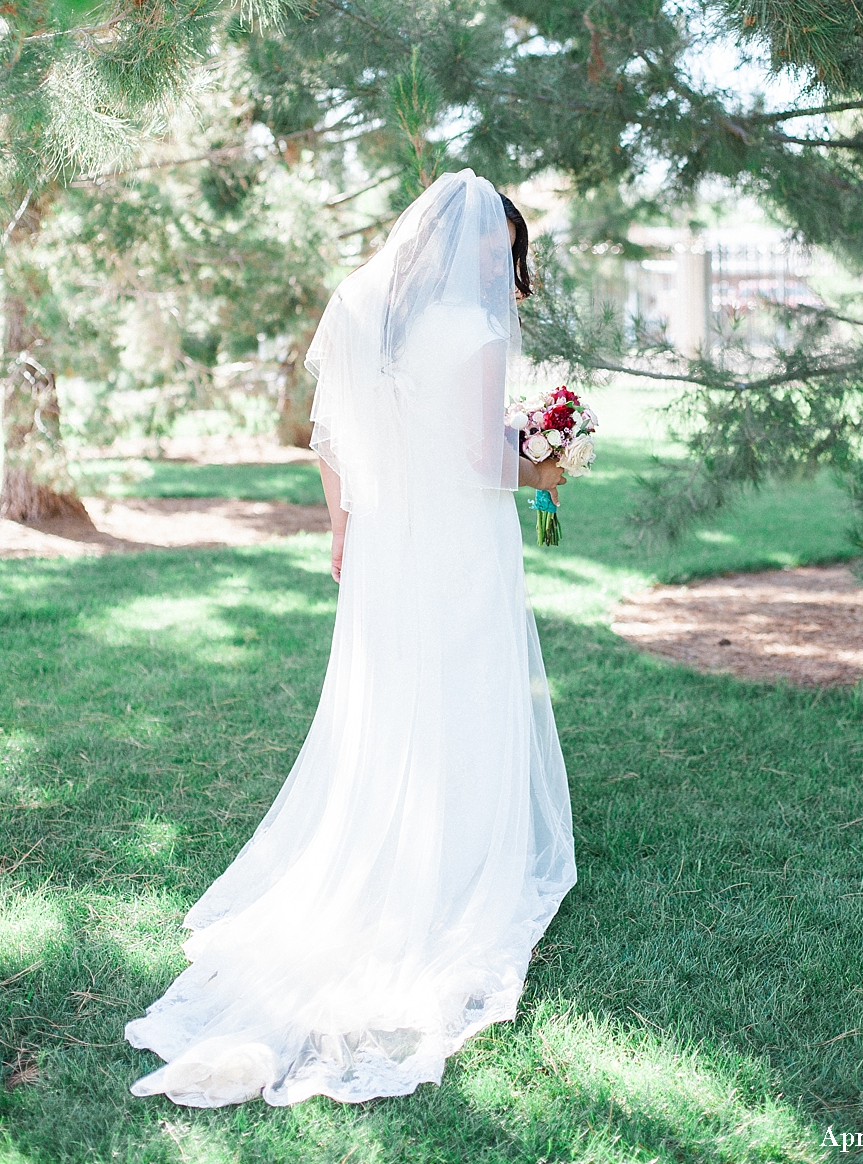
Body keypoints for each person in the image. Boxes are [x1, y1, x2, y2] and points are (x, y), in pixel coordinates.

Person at [125, 168, 576, 1108]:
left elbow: (329, 439)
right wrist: (544, 468)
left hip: (384, 543)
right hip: (456, 536)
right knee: (462, 677)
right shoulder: (478, 329)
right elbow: (476, 458)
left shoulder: (370, 309)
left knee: (396, 689)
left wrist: (341, 528)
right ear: (482, 250)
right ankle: (453, 847)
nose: (501, 268)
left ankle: (401, 828)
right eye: (501, 251)